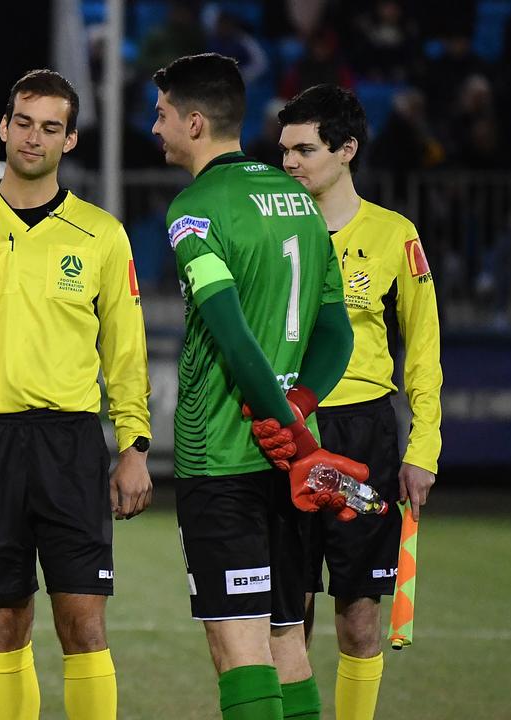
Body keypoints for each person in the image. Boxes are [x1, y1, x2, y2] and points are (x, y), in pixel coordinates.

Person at [0, 69, 152, 720]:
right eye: (24, 122)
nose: (34, 137)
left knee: (83, 623)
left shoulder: (101, 234)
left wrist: (133, 444)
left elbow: (124, 353)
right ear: (4, 126)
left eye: (51, 126)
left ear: (70, 140)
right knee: (4, 626)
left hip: (70, 444)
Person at [151, 54, 359, 720]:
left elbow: (232, 334)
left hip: (227, 457)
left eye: (160, 115)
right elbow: (337, 333)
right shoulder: (299, 197)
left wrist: (291, 435)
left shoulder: (195, 210)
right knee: (287, 641)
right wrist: (299, 411)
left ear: (192, 121)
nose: (154, 128)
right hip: (294, 462)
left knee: (236, 646)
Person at [278, 83, 442, 720]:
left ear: (346, 149)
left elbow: (423, 349)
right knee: (286, 614)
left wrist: (423, 445)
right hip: (288, 435)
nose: (289, 163)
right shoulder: (273, 233)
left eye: (304, 149)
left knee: (359, 615)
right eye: (284, 149)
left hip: (362, 439)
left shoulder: (394, 236)